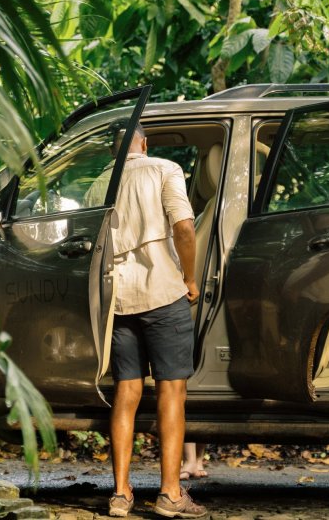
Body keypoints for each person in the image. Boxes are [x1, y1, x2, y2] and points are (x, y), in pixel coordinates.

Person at [105, 122, 207, 519]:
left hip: (118, 296)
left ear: (115, 150)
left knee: (126, 392)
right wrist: (190, 277)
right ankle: (170, 493)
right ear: (144, 144)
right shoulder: (164, 168)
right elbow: (183, 226)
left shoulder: (102, 183)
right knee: (171, 391)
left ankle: (119, 494)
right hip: (162, 293)